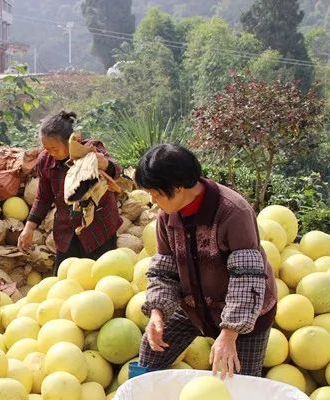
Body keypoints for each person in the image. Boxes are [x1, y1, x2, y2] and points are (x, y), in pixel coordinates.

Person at [134, 144, 277, 378]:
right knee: (151, 351)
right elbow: (164, 272)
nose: (153, 200)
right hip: (194, 305)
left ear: (178, 187)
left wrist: (230, 333)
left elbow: (247, 277)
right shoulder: (167, 216)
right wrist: (157, 313)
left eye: (157, 193)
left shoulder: (233, 212)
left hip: (245, 311)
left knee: (238, 379)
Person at [17, 111, 123, 274]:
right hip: (67, 231)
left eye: (53, 148)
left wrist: (105, 164)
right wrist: (29, 228)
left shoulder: (90, 150)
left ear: (69, 141)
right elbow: (43, 198)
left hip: (99, 229)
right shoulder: (45, 161)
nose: (50, 153)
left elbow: (116, 172)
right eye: (46, 148)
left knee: (99, 277)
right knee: (65, 278)